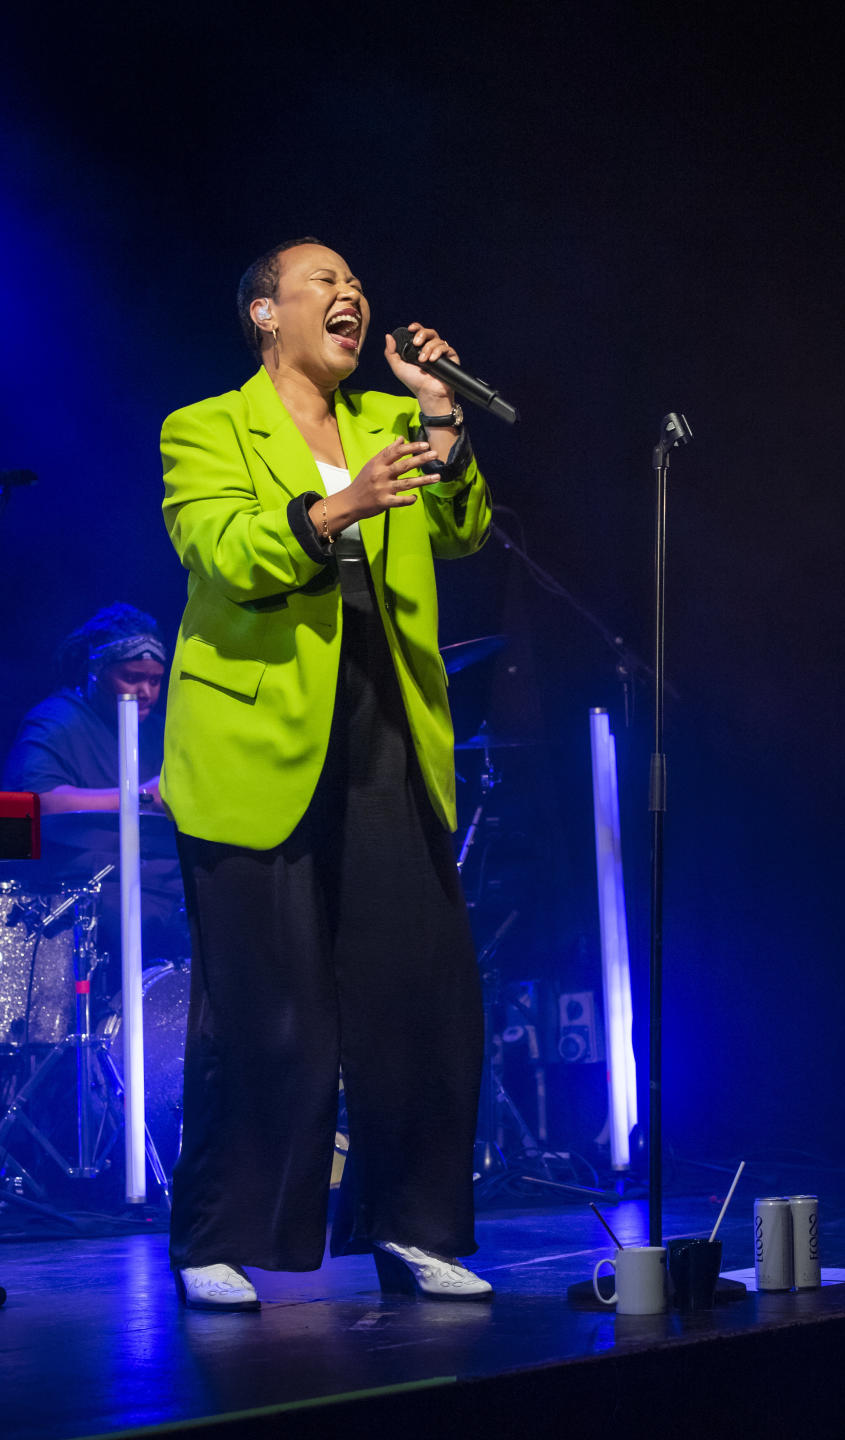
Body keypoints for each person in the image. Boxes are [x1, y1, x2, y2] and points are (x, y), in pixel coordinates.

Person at [160, 238, 493, 1310]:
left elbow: (468, 527)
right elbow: (225, 552)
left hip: (385, 736)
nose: (351, 296)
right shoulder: (205, 427)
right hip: (256, 747)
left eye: (356, 285)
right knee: (272, 1013)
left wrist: (441, 413)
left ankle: (413, 1227)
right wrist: (336, 511)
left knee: (423, 997)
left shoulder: (392, 426)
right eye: (323, 283)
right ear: (266, 312)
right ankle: (220, 1235)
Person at [1, 604, 184, 976]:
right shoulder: (56, 721)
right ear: (96, 670)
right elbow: (38, 804)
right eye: (132, 677)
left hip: (163, 888)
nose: (146, 692)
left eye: (155, 680)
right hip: (83, 895)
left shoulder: (160, 731)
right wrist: (141, 797)